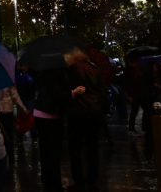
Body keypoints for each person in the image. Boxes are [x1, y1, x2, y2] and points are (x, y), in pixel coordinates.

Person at [34, 66, 85, 192]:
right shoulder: (58, 74)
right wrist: (73, 92)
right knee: (54, 150)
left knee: (44, 148)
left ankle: (46, 179)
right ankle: (55, 183)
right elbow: (57, 95)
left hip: (39, 112)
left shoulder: (42, 73)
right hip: (52, 114)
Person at [66, 52, 109, 192]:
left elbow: (68, 89)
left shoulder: (72, 69)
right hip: (94, 111)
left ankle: (78, 181)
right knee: (93, 148)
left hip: (78, 113)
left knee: (75, 149)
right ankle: (92, 180)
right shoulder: (94, 68)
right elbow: (101, 90)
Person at [0, 85, 28, 167]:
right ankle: (11, 158)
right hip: (8, 110)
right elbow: (15, 95)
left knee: (0, 135)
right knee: (9, 134)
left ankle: (3, 157)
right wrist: (23, 107)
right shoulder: (8, 80)